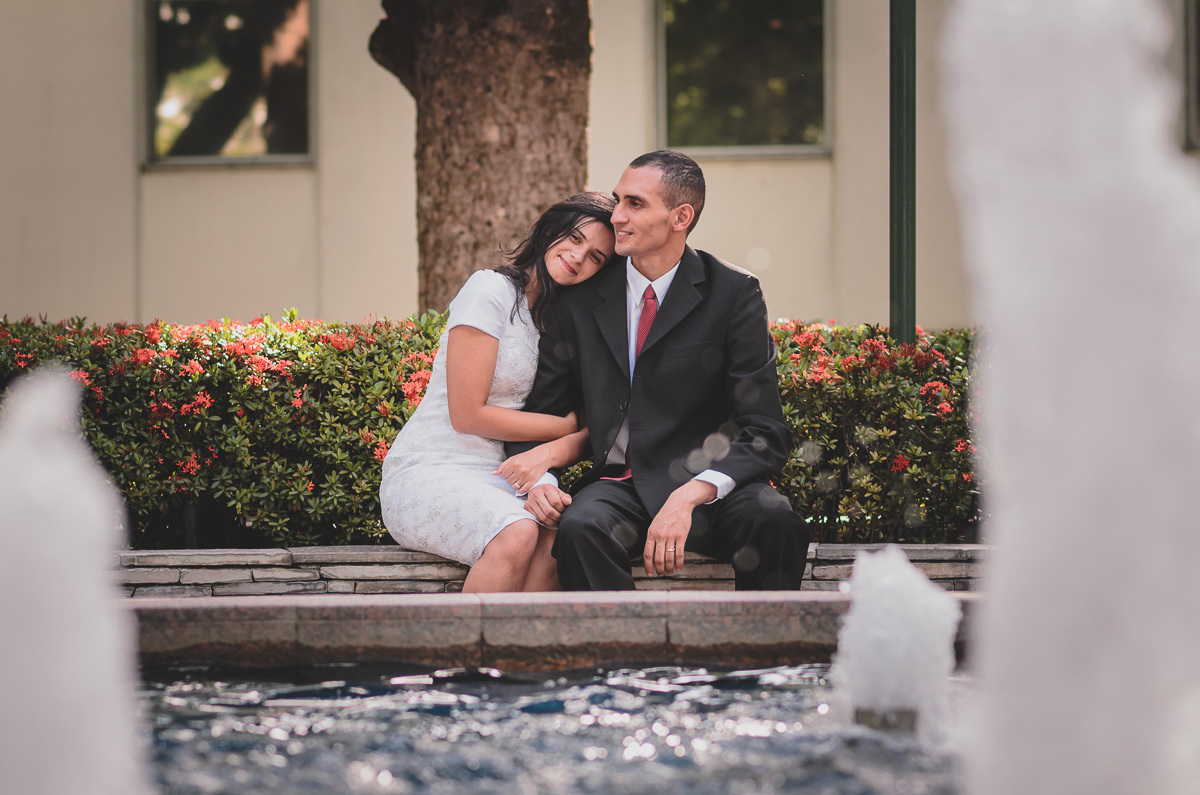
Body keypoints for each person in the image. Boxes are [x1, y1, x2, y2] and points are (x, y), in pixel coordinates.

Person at [503, 151, 809, 590]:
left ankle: (767, 658)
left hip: (711, 489)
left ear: (681, 216)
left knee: (777, 521)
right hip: (619, 489)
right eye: (617, 200)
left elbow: (765, 430)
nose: (617, 217)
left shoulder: (734, 293)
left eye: (635, 204)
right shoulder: (580, 299)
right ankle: (624, 659)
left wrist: (689, 495)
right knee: (581, 528)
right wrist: (542, 481)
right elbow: (540, 414)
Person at [379, 192, 617, 593]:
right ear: (549, 230)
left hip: (503, 475)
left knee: (559, 538)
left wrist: (552, 459)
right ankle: (465, 657)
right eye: (575, 238)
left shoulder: (563, 323)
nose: (579, 257)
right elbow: (467, 415)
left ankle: (519, 655)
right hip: (432, 467)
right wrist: (561, 425)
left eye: (596, 256)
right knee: (519, 530)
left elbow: (592, 432)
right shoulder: (488, 290)